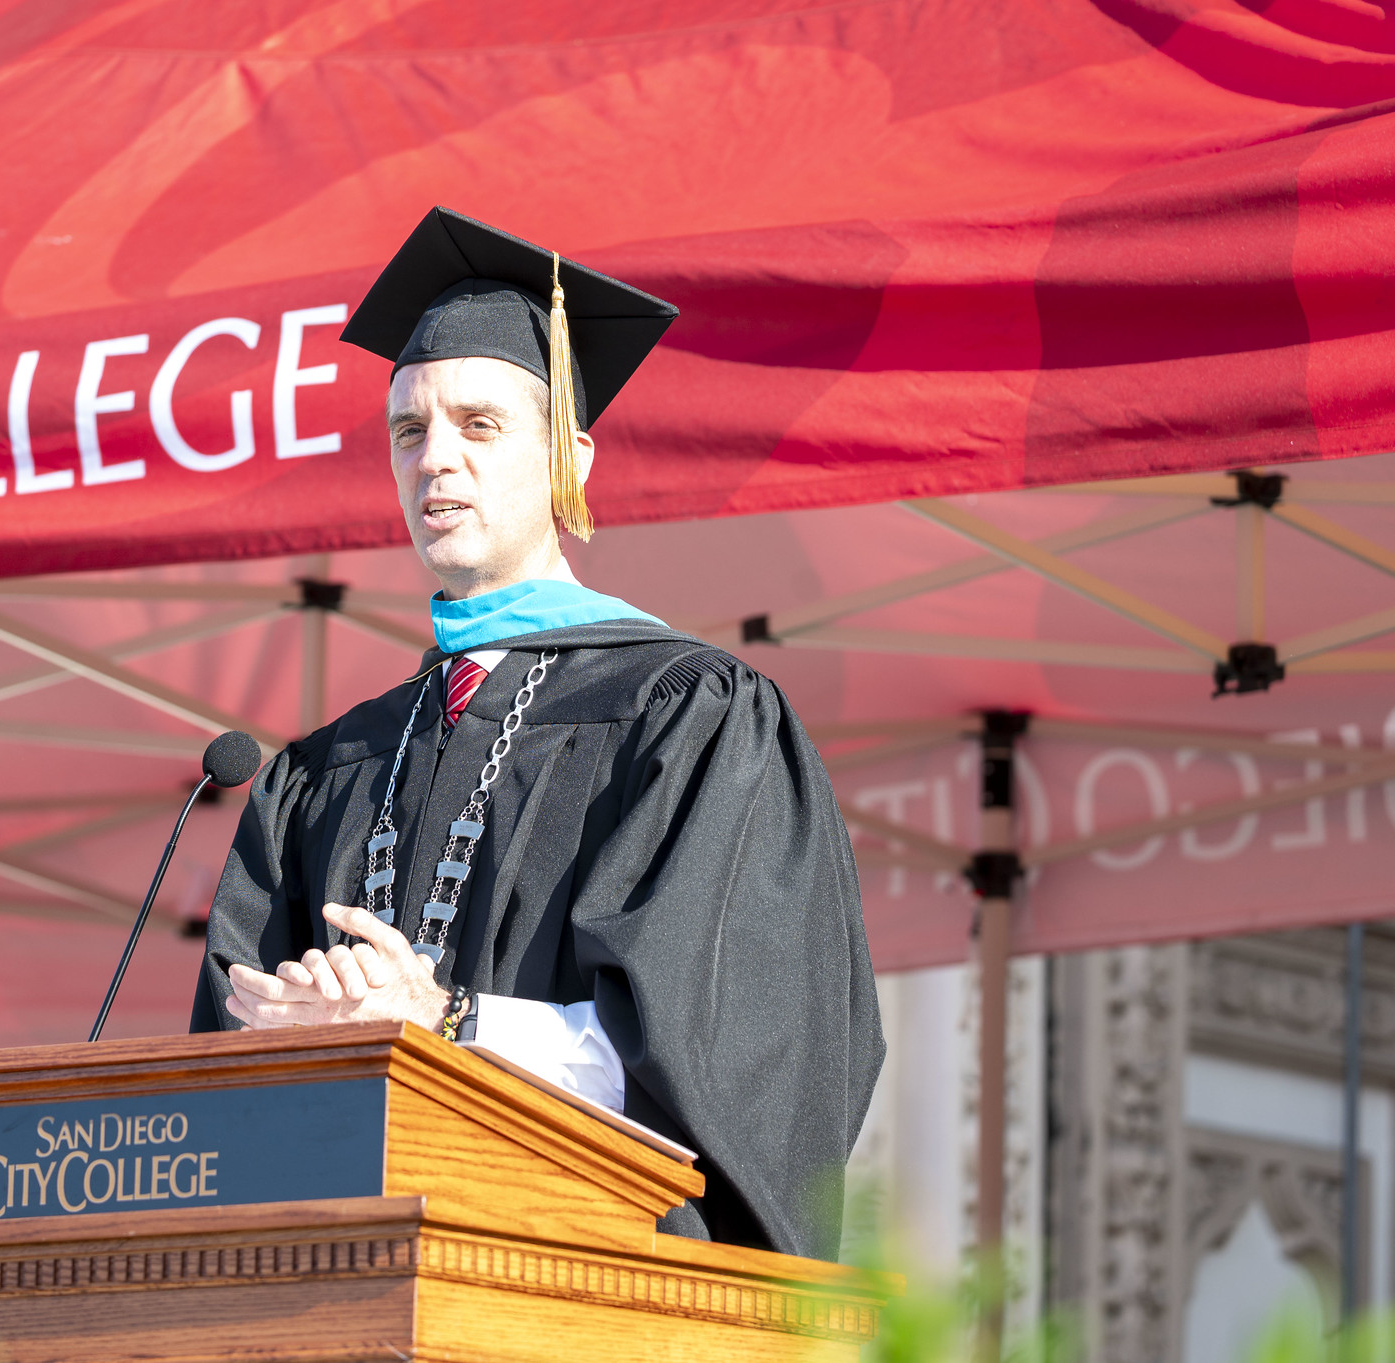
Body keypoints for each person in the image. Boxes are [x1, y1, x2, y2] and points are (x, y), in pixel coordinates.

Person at [190, 207, 882, 1259]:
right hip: (347, 1277)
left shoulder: (690, 720)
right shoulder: (322, 771)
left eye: (479, 425)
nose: (435, 463)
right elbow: (223, 1079)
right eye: (409, 431)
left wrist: (446, 1023)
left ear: (570, 456)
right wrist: (288, 1025)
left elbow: (739, 1065)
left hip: (582, 1278)